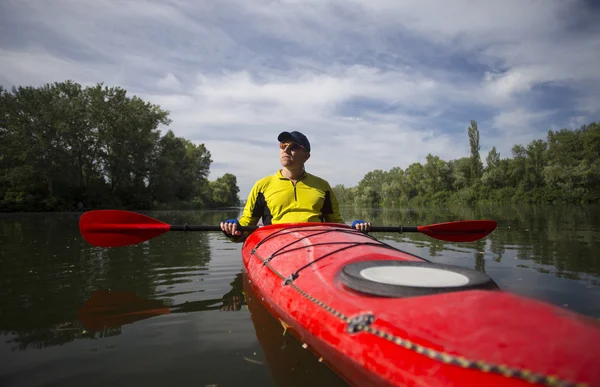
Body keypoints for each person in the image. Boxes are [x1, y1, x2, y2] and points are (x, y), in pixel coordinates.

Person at [220, 131, 371, 242]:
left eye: (292, 147)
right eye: (282, 145)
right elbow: (247, 226)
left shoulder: (322, 186)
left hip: (317, 244)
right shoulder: (262, 186)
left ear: (306, 156)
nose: (285, 150)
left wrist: (354, 230)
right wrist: (235, 230)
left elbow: (336, 223)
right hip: (276, 245)